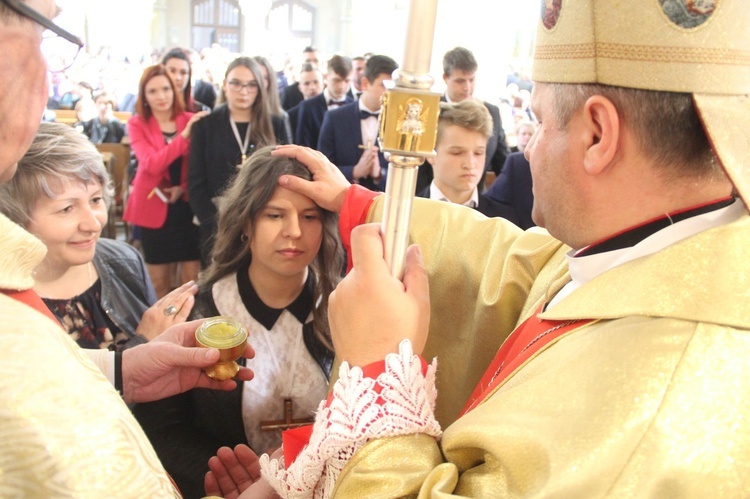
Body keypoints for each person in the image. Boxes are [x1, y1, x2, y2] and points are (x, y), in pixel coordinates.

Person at [205, 0, 750, 497]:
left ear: (598, 135)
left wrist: (376, 374)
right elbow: (517, 268)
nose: (524, 146)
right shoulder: (671, 254)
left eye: (536, 119)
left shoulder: (657, 415)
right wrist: (363, 207)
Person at [0, 1, 253, 495]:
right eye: (47, 35)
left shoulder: (119, 259)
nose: (92, 222)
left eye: (96, 201)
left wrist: (124, 368)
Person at [135, 146, 344, 498]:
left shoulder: (344, 307)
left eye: (310, 217)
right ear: (246, 222)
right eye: (275, 215)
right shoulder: (200, 311)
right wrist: (231, 477)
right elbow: (163, 428)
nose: (294, 231)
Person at [0, 121, 197, 351]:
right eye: (67, 209)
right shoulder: (10, 304)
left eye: (95, 199)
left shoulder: (124, 260)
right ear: (14, 216)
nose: (93, 223)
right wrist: (142, 344)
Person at [189, 56, 290, 267]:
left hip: (263, 218)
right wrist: (218, 224)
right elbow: (196, 182)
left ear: (260, 88)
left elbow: (287, 173)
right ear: (225, 85)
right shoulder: (206, 125)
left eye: (251, 85)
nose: (243, 91)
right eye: (236, 83)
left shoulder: (276, 124)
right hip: (216, 221)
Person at [123, 64, 208, 298]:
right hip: (153, 206)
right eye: (152, 91)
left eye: (166, 89)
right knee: (159, 284)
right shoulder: (137, 123)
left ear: (175, 90)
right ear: (144, 96)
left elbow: (200, 168)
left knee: (190, 282)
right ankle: (163, 331)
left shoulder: (191, 119)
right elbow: (151, 164)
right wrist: (184, 137)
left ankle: (187, 330)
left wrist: (182, 189)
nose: (161, 96)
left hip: (187, 207)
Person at [416, 46, 510, 193]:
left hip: (476, 206)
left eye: (471, 80)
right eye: (460, 81)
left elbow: (503, 166)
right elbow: (419, 167)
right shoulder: (428, 111)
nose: (467, 87)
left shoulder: (492, 113)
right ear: (445, 78)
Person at [417, 100, 520, 221]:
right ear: (431, 154)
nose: (470, 164)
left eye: (478, 153)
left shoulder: (503, 220)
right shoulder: (406, 212)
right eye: (457, 153)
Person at [317, 54, 397, 192]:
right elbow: (321, 167)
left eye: (394, 87)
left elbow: (403, 177)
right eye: (384, 86)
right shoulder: (335, 118)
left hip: (381, 204)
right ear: (365, 83)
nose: (390, 93)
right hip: (341, 199)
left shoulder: (397, 123)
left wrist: (379, 174)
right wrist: (354, 171)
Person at [485, 120, 538, 229]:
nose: (527, 137)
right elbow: (490, 204)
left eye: (530, 134)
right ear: (517, 136)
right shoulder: (516, 162)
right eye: (523, 134)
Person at [294, 54, 353, 147]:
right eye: (336, 80)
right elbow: (303, 145)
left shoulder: (354, 105)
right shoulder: (308, 106)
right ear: (326, 77)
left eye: (347, 81)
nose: (342, 86)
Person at [286, 62, 323, 137]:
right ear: (300, 88)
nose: (312, 87)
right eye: (306, 83)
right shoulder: (290, 116)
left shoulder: (332, 110)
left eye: (316, 82)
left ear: (323, 84)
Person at [280, 46, 320, 111]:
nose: (312, 64)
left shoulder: (328, 89)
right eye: (308, 61)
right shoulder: (289, 93)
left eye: (316, 61)